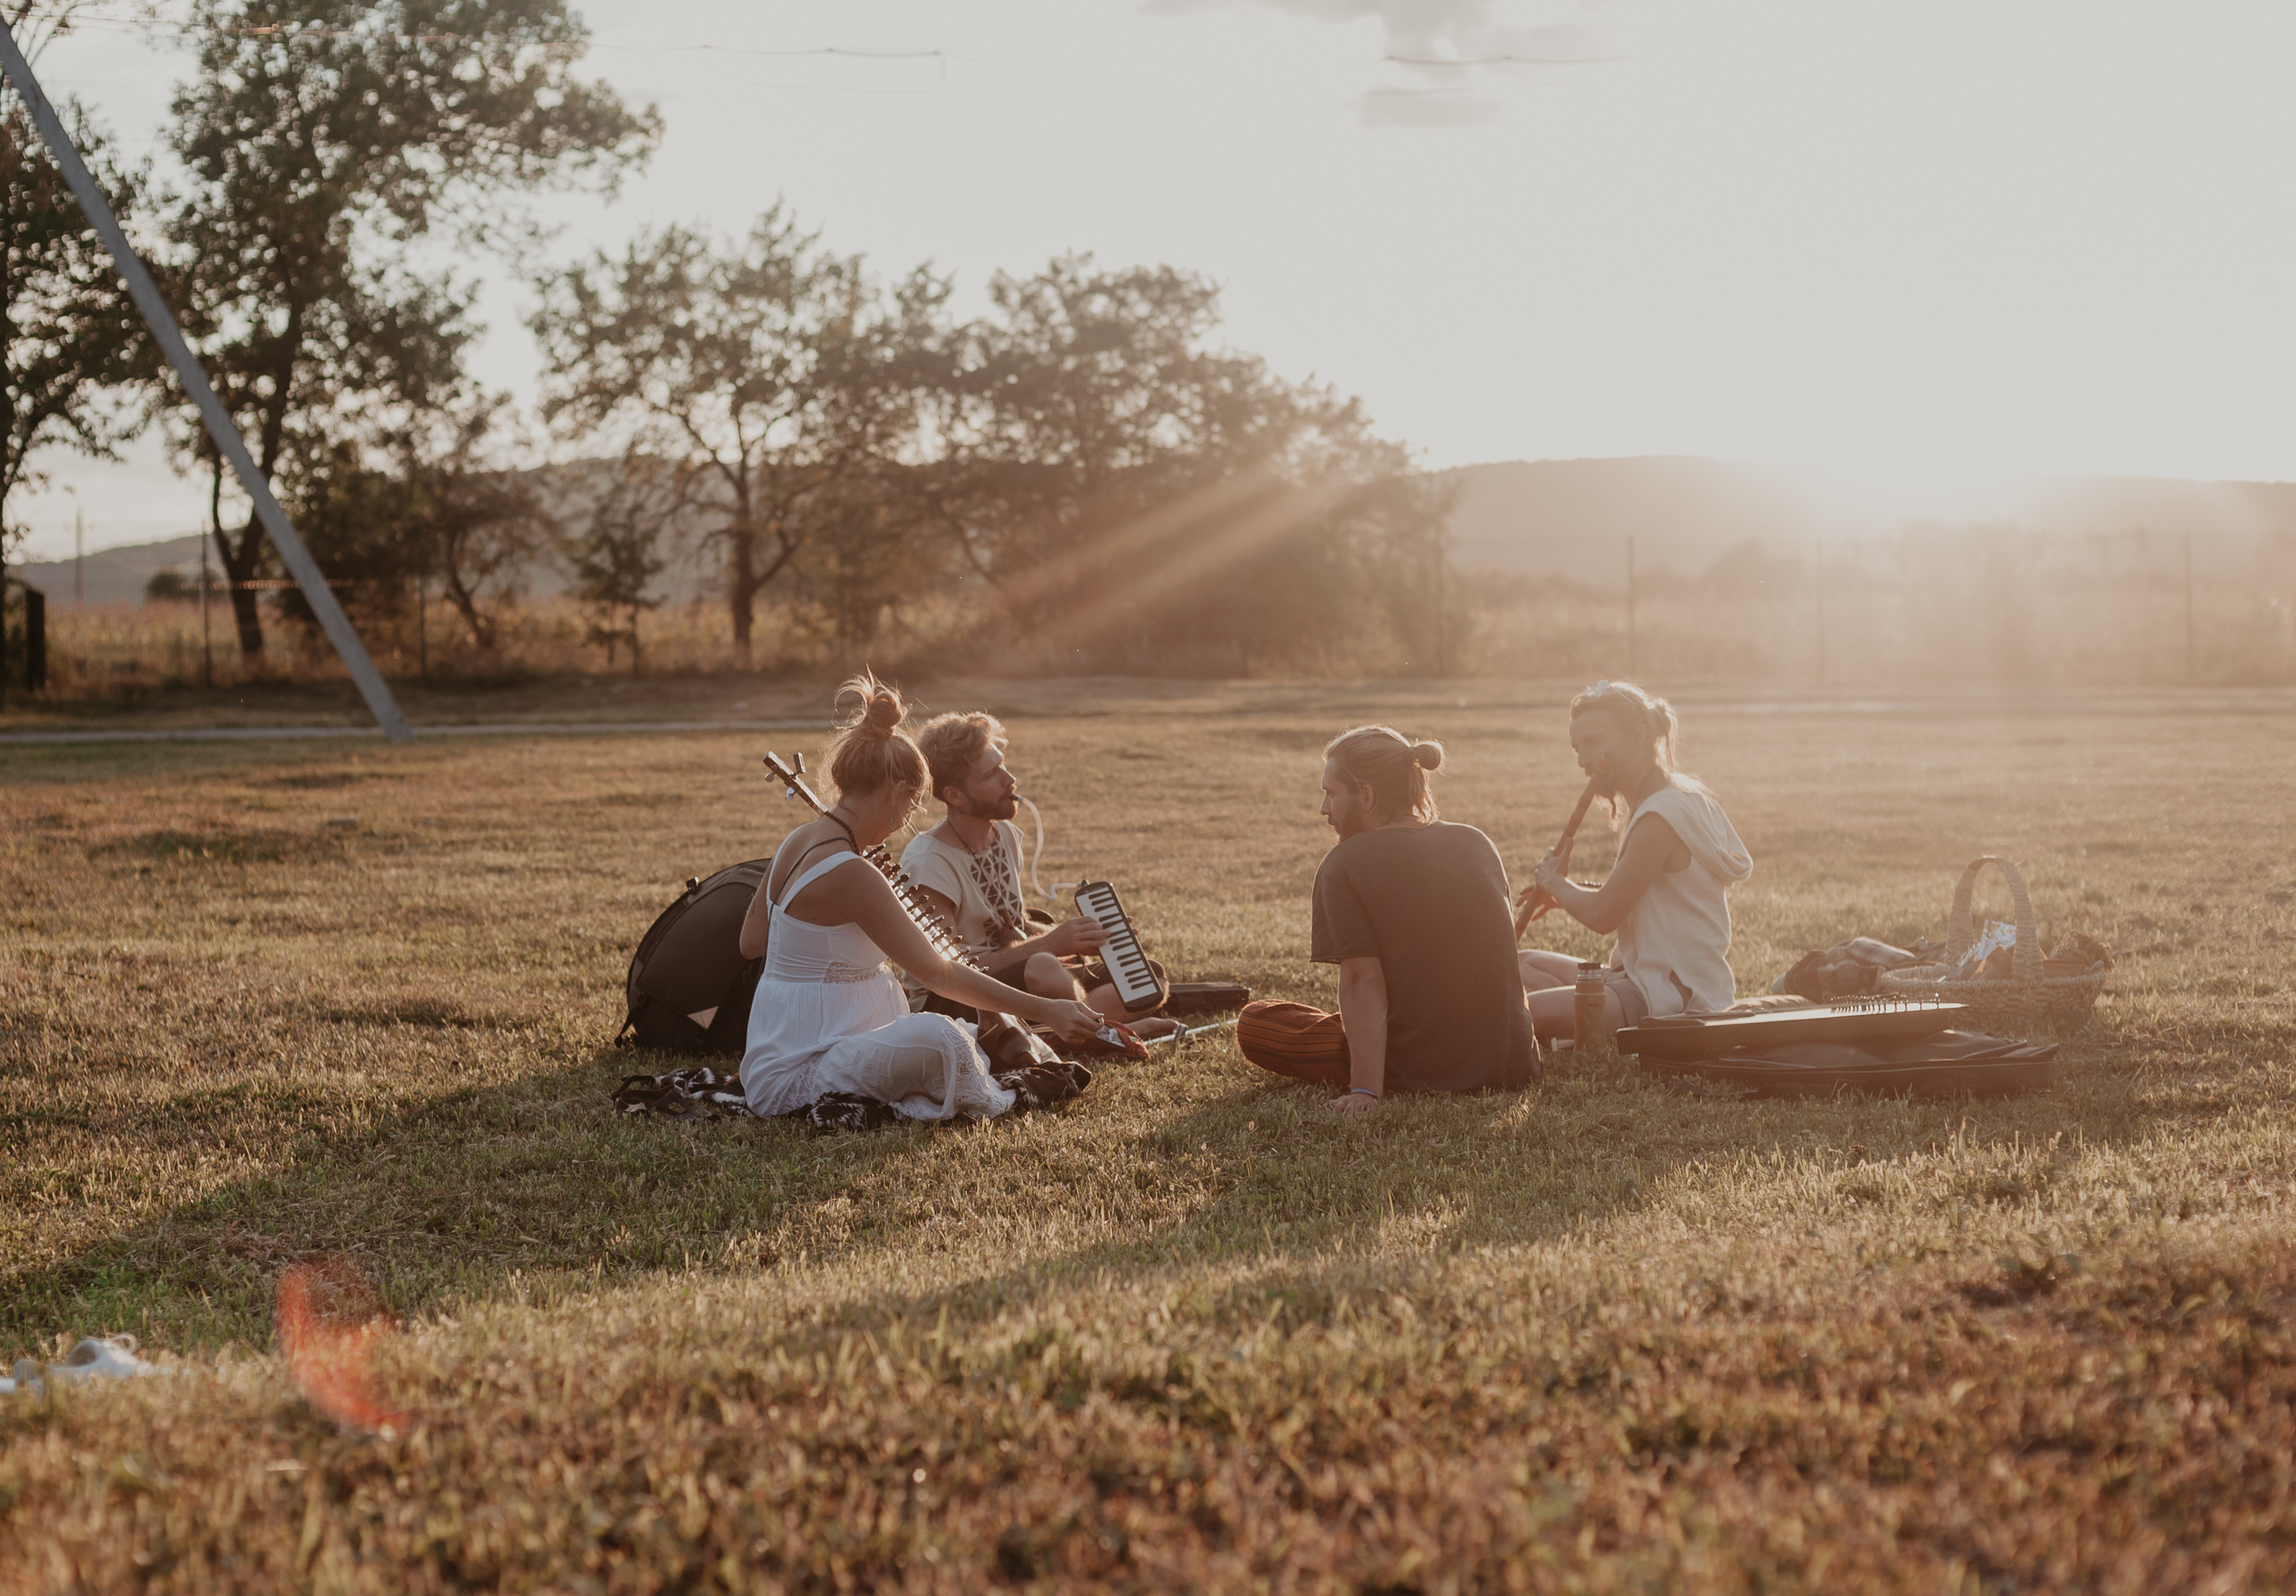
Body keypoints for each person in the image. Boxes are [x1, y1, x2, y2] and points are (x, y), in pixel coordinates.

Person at [735, 675, 1106, 1121]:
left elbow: (751, 943)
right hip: (798, 1075)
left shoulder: (797, 841)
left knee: (955, 1033)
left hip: (779, 1058)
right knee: (942, 1038)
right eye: (911, 808)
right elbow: (937, 973)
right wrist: (1047, 1009)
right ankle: (998, 1098)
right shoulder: (853, 873)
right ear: (896, 793)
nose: (906, 822)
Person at [1237, 726, 1542, 1114]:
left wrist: (1365, 1089)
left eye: (1331, 793)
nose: (1324, 809)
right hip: (1510, 1063)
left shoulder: (1344, 863)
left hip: (1415, 1066)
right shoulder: (1477, 841)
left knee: (1257, 1022)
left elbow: (1363, 979)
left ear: (1366, 795)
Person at [900, 708, 1176, 1030]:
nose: (1009, 780)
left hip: (1016, 983)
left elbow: (1012, 928)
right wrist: (1050, 944)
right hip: (954, 1000)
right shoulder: (929, 863)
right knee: (1045, 966)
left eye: (1002, 765)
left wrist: (1082, 937)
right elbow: (945, 972)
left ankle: (1063, 1030)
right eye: (991, 775)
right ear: (954, 795)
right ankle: (1098, 1031)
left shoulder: (1003, 836)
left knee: (1146, 977)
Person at [1516, 680, 1753, 1039]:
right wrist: (1568, 893)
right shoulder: (1670, 798)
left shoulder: (1660, 816)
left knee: (1521, 1012)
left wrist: (1556, 884)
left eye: (1594, 742)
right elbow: (1654, 894)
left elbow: (1603, 915)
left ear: (1638, 734)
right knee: (1518, 966)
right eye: (1577, 747)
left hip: (1671, 999)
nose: (1582, 759)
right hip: (1635, 977)